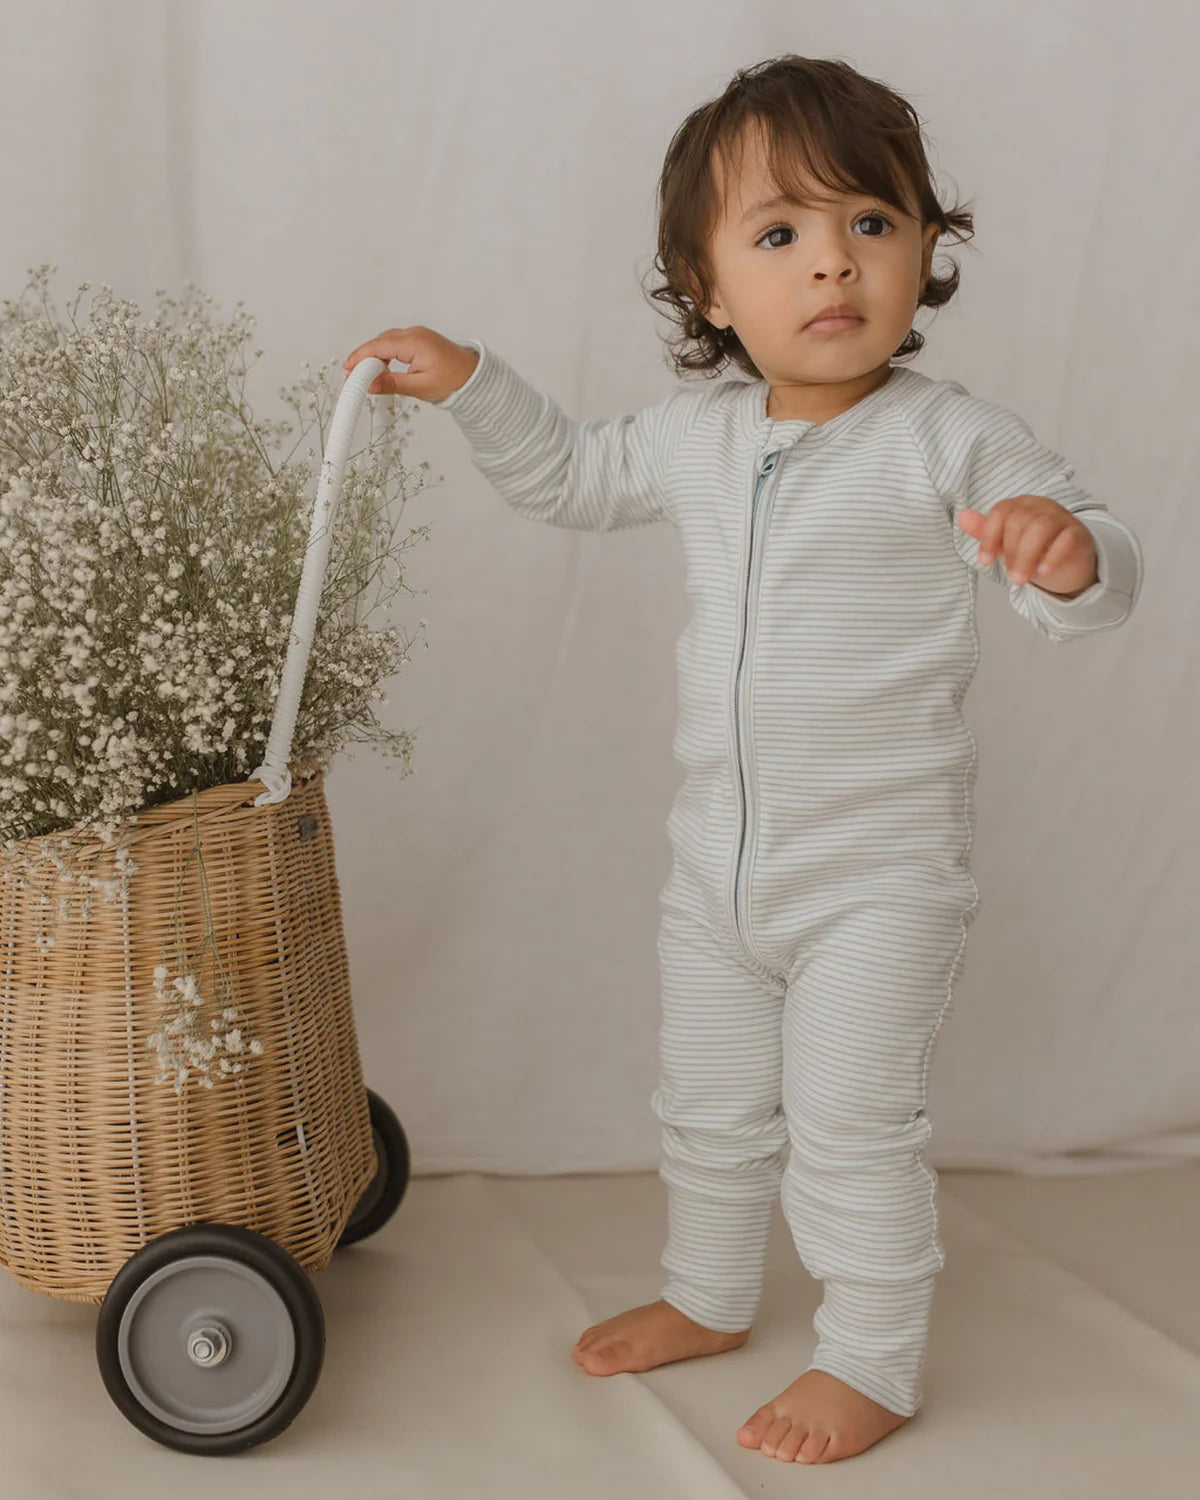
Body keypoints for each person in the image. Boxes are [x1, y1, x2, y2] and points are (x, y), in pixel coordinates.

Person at [342, 54, 1143, 1465]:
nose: (833, 263)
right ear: (708, 290)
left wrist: (1066, 556)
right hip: (716, 875)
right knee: (707, 1106)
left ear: (927, 251)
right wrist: (472, 385)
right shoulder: (699, 441)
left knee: (847, 1124)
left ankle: (874, 1356)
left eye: (872, 224)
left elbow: (1094, 568)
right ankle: (710, 1295)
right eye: (781, 235)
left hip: (877, 888)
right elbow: (574, 476)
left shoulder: (950, 442)